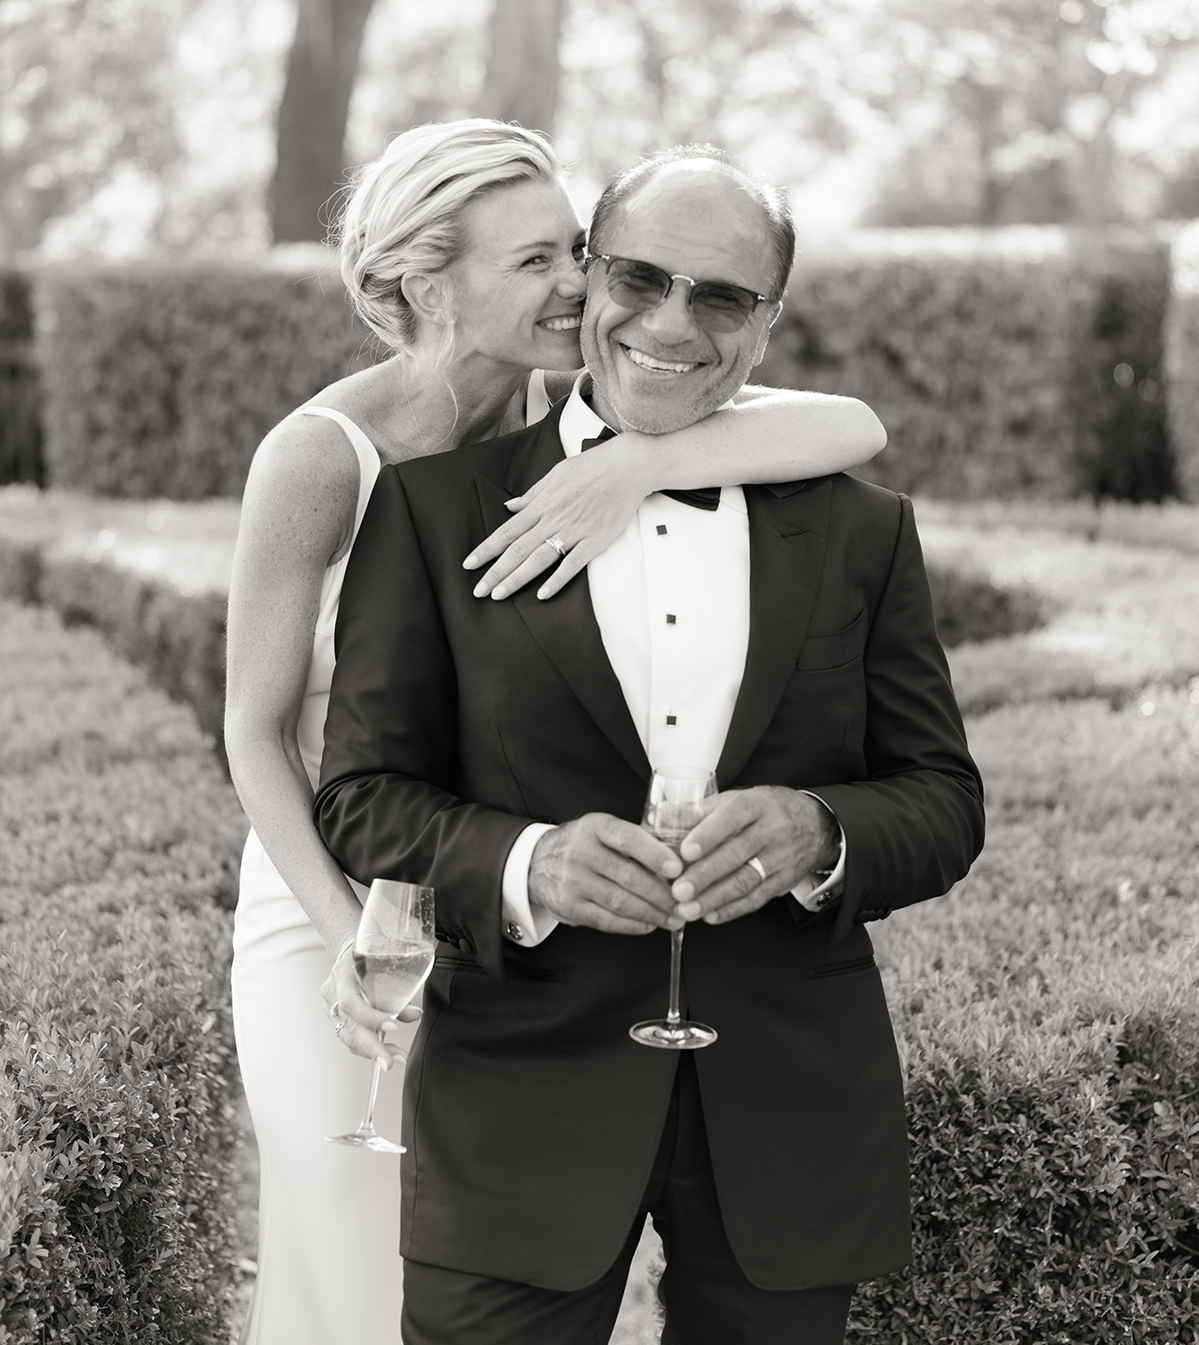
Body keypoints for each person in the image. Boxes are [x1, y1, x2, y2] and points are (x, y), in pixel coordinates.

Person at [225, 121, 887, 1345]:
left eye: (576, 247)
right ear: (430, 284)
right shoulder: (321, 456)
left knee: (464, 1254)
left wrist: (627, 471)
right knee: (344, 1256)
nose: (584, 284)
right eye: (536, 262)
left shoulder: (583, 402)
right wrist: (354, 938)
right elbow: (256, 734)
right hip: (337, 890)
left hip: (489, 913)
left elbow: (850, 427)